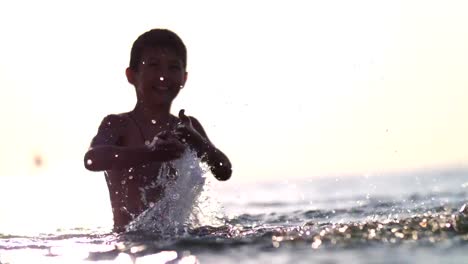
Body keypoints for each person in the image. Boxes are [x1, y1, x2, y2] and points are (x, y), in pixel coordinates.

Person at [84, 29, 232, 232]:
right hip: (130, 243)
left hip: (181, 242)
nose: (163, 76)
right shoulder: (118, 124)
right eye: (153, 66)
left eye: (173, 67)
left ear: (184, 78)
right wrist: (150, 154)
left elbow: (224, 171)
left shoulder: (188, 128)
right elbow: (92, 159)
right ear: (131, 75)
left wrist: (197, 141)